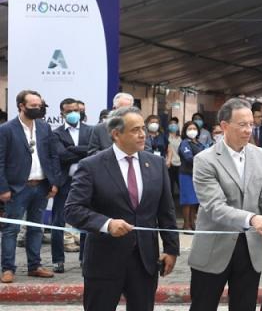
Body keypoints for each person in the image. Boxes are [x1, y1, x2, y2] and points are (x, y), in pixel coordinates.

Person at [64, 107, 179, 310]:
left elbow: (166, 211)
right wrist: (106, 224)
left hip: (144, 261)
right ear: (116, 134)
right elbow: (73, 209)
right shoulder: (92, 165)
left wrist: (171, 249)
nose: (143, 134)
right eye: (135, 130)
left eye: (143, 128)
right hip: (104, 260)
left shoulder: (156, 163)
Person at [188, 98, 262, 311]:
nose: (248, 130)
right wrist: (252, 218)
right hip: (213, 249)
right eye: (242, 125)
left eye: (251, 125)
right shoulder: (205, 160)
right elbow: (215, 207)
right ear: (225, 126)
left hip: (250, 250)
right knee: (203, 306)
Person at [0, 90, 62, 283]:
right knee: (11, 229)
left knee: (36, 229)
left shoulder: (44, 127)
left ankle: (34, 265)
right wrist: (3, 188)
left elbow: (53, 156)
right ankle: (8, 268)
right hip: (17, 188)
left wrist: (54, 182)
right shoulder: (6, 129)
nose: (38, 109)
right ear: (21, 106)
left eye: (40, 105)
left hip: (41, 187)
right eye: (34, 106)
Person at [51, 97, 92, 272]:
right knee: (57, 223)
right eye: (69, 111)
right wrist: (81, 150)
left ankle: (85, 258)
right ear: (62, 114)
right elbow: (61, 155)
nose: (74, 114)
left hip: (86, 183)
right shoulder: (56, 133)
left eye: (76, 110)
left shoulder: (91, 131)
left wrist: (72, 149)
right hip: (64, 183)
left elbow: (92, 151)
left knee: (86, 222)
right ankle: (58, 260)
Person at [177, 121, 204, 231]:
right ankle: (186, 224)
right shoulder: (185, 143)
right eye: (190, 129)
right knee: (187, 201)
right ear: (185, 131)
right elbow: (188, 158)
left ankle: (193, 223)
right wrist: (202, 161)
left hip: (197, 175)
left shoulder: (199, 143)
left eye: (194, 128)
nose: (192, 131)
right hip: (186, 175)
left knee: (195, 201)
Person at [165, 118, 182, 200]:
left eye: (174, 124)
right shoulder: (166, 137)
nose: (173, 125)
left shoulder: (180, 138)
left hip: (179, 164)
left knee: (181, 184)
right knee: (170, 185)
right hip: (169, 164)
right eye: (171, 123)